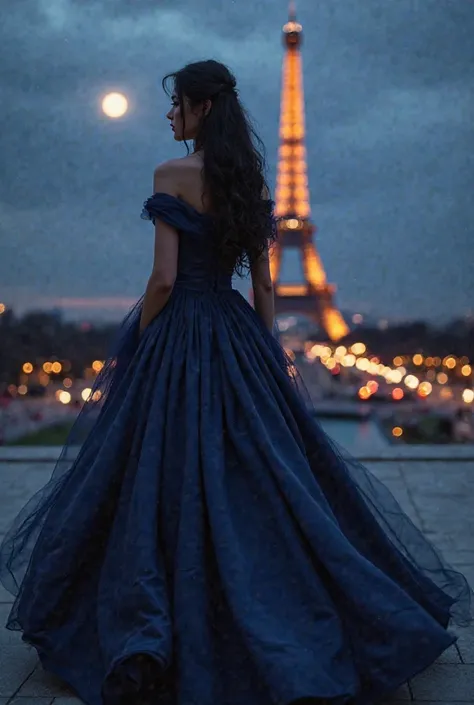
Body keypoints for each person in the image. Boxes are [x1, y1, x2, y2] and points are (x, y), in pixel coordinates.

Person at [0, 59, 472, 705]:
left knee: (151, 470)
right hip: (234, 327)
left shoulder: (171, 175)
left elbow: (163, 279)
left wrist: (141, 336)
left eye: (177, 105)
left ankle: (164, 603)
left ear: (202, 110)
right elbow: (265, 282)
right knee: (264, 473)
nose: (169, 116)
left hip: (181, 329)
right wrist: (264, 348)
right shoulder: (248, 180)